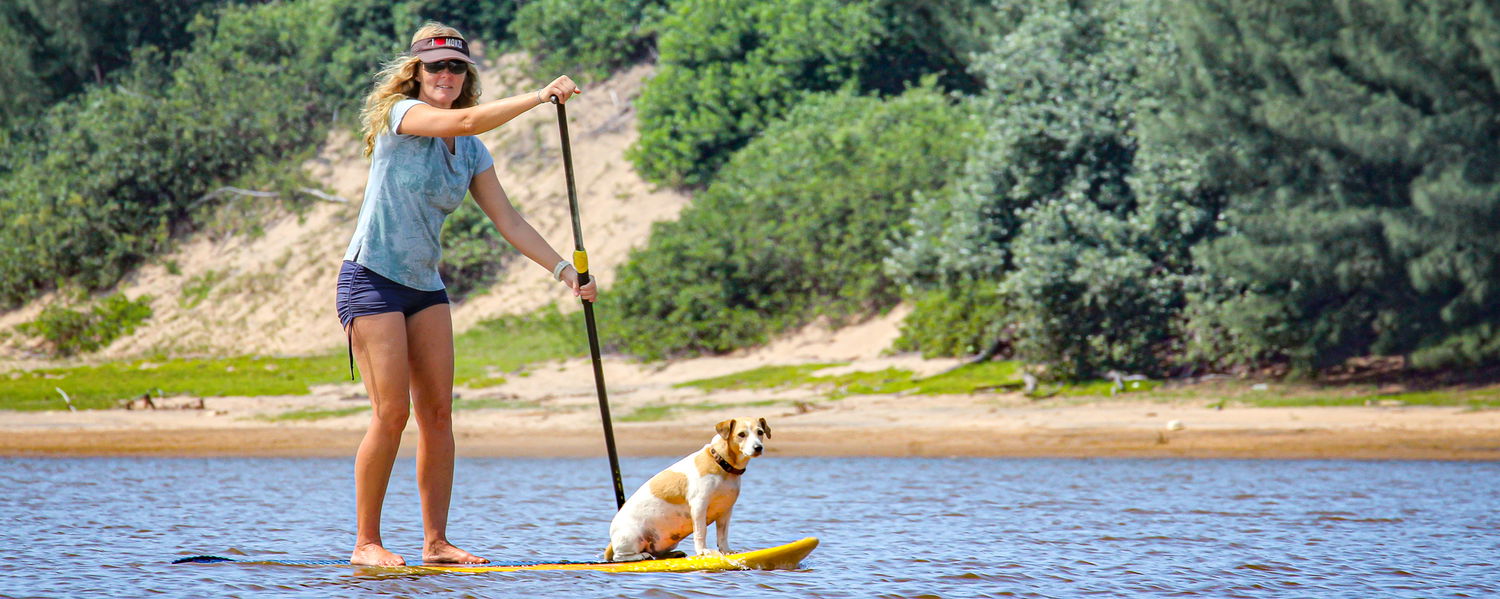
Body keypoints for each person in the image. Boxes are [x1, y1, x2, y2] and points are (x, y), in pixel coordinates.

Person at [337, 22, 591, 567]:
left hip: (424, 286)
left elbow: (509, 220)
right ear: (416, 73)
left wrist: (564, 271)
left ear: (465, 74)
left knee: (438, 416)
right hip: (372, 278)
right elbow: (470, 117)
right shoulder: (400, 115)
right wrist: (540, 95)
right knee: (391, 416)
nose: (446, 75)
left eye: (456, 67)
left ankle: (435, 544)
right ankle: (366, 544)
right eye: (435, 67)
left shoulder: (471, 151)